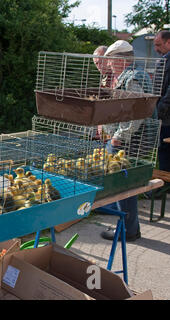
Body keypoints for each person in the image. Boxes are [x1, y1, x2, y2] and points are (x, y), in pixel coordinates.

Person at [99, 40, 151, 242]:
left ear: (120, 59)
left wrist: (119, 137)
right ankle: (129, 228)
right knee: (124, 186)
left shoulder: (133, 78)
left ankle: (128, 230)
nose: (109, 64)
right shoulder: (131, 75)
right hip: (123, 139)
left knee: (124, 186)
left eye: (111, 60)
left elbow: (135, 113)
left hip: (126, 142)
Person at [153, 30, 170, 174]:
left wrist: (158, 110)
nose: (156, 49)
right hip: (163, 115)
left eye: (159, 45)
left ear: (168, 42)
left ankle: (164, 186)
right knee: (163, 151)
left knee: (165, 150)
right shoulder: (164, 59)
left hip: (166, 117)